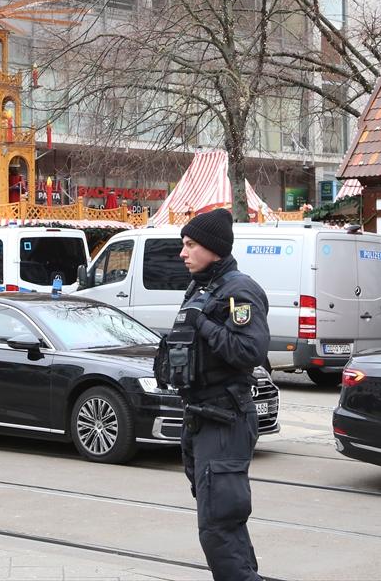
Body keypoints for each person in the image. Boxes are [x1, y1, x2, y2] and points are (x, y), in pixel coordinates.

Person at [156, 208, 269, 581]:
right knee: (222, 519)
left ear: (213, 249)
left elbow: (249, 352)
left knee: (218, 526)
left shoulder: (239, 290)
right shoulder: (203, 288)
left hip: (225, 418)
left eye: (190, 245)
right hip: (202, 417)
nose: (182, 253)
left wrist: (201, 323)